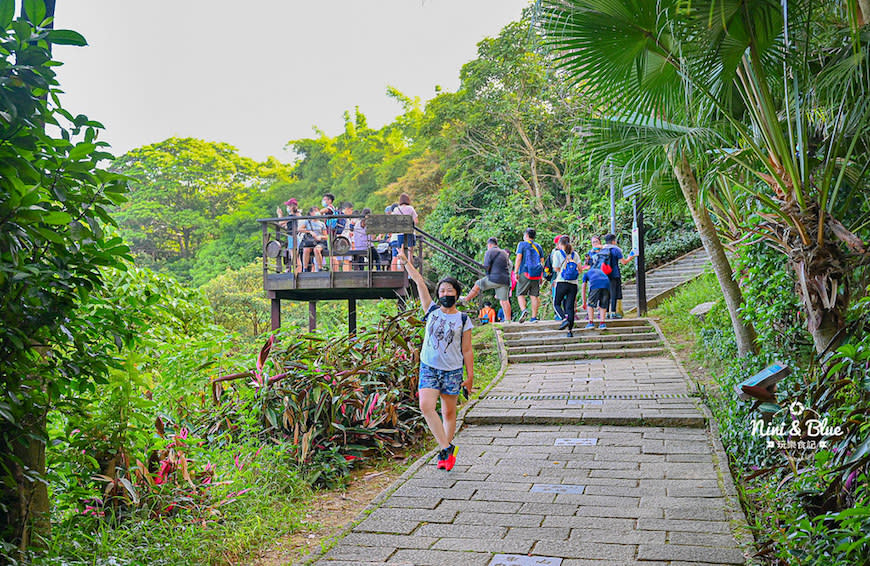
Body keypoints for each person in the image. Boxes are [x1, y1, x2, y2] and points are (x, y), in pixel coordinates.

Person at [399, 251, 473, 472]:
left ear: (457, 294)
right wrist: (404, 260)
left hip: (452, 370)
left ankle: (445, 454)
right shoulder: (430, 311)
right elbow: (419, 281)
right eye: (442, 290)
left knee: (449, 413)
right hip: (429, 367)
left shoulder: (463, 319)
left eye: (450, 290)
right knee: (426, 406)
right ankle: (447, 446)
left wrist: (470, 377)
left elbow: (467, 350)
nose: (445, 293)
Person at [460, 237, 511, 323]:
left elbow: (486, 266)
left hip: (494, 278)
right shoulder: (504, 253)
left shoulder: (489, 252)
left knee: (478, 284)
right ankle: (508, 320)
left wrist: (488, 274)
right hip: (505, 279)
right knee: (504, 301)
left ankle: (466, 299)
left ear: (490, 245)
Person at [599, 233, 637, 318]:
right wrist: (630, 257)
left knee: (606, 294)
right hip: (614, 274)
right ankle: (613, 313)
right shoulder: (616, 250)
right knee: (614, 294)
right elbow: (624, 262)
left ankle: (607, 313)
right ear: (613, 241)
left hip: (604, 275)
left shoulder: (602, 250)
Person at [552, 236, 582, 337]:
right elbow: (580, 270)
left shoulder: (557, 253)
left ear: (560, 244)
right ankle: (570, 331)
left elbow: (556, 268)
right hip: (573, 284)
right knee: (570, 307)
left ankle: (564, 319)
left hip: (562, 282)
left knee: (556, 303)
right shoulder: (575, 255)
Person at [513, 228, 544, 322]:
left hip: (524, 272)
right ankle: (534, 317)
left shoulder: (522, 244)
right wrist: (541, 275)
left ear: (526, 235)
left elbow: (519, 258)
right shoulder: (538, 246)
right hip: (536, 274)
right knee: (534, 295)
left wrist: (516, 272)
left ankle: (524, 310)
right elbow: (542, 262)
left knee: (520, 293)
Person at [390, 193, 418, 271]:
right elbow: (416, 221)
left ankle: (403, 272)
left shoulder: (396, 209)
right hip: (410, 234)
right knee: (410, 253)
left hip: (400, 234)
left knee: (402, 254)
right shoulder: (411, 208)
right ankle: (410, 272)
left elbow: (392, 222)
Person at [581, 264, 610, 330]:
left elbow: (583, 289)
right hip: (606, 283)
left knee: (590, 304)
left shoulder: (586, 274)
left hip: (595, 284)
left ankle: (591, 322)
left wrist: (584, 302)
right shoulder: (599, 271)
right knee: (603, 304)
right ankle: (602, 323)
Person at [276, 198, 301, 272]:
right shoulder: (295, 215)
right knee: (296, 256)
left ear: (291, 207)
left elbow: (280, 222)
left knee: (294, 256)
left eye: (288, 206)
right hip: (295, 236)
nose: (287, 207)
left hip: (292, 237)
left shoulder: (291, 216)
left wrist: (279, 214)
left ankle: (297, 271)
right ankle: (297, 270)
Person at [299, 206, 327, 272]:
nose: (317, 212)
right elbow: (300, 229)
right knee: (306, 250)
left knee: (316, 250)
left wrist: (320, 237)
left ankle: (320, 268)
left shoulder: (322, 224)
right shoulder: (307, 222)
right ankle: (305, 269)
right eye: (315, 211)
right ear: (311, 213)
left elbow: (326, 236)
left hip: (319, 242)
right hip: (310, 241)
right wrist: (309, 232)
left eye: (317, 210)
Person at [547, 234, 566, 320]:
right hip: (558, 278)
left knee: (557, 298)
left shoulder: (555, 253)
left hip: (558, 279)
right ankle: (562, 314)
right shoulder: (555, 253)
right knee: (561, 298)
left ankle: (560, 315)